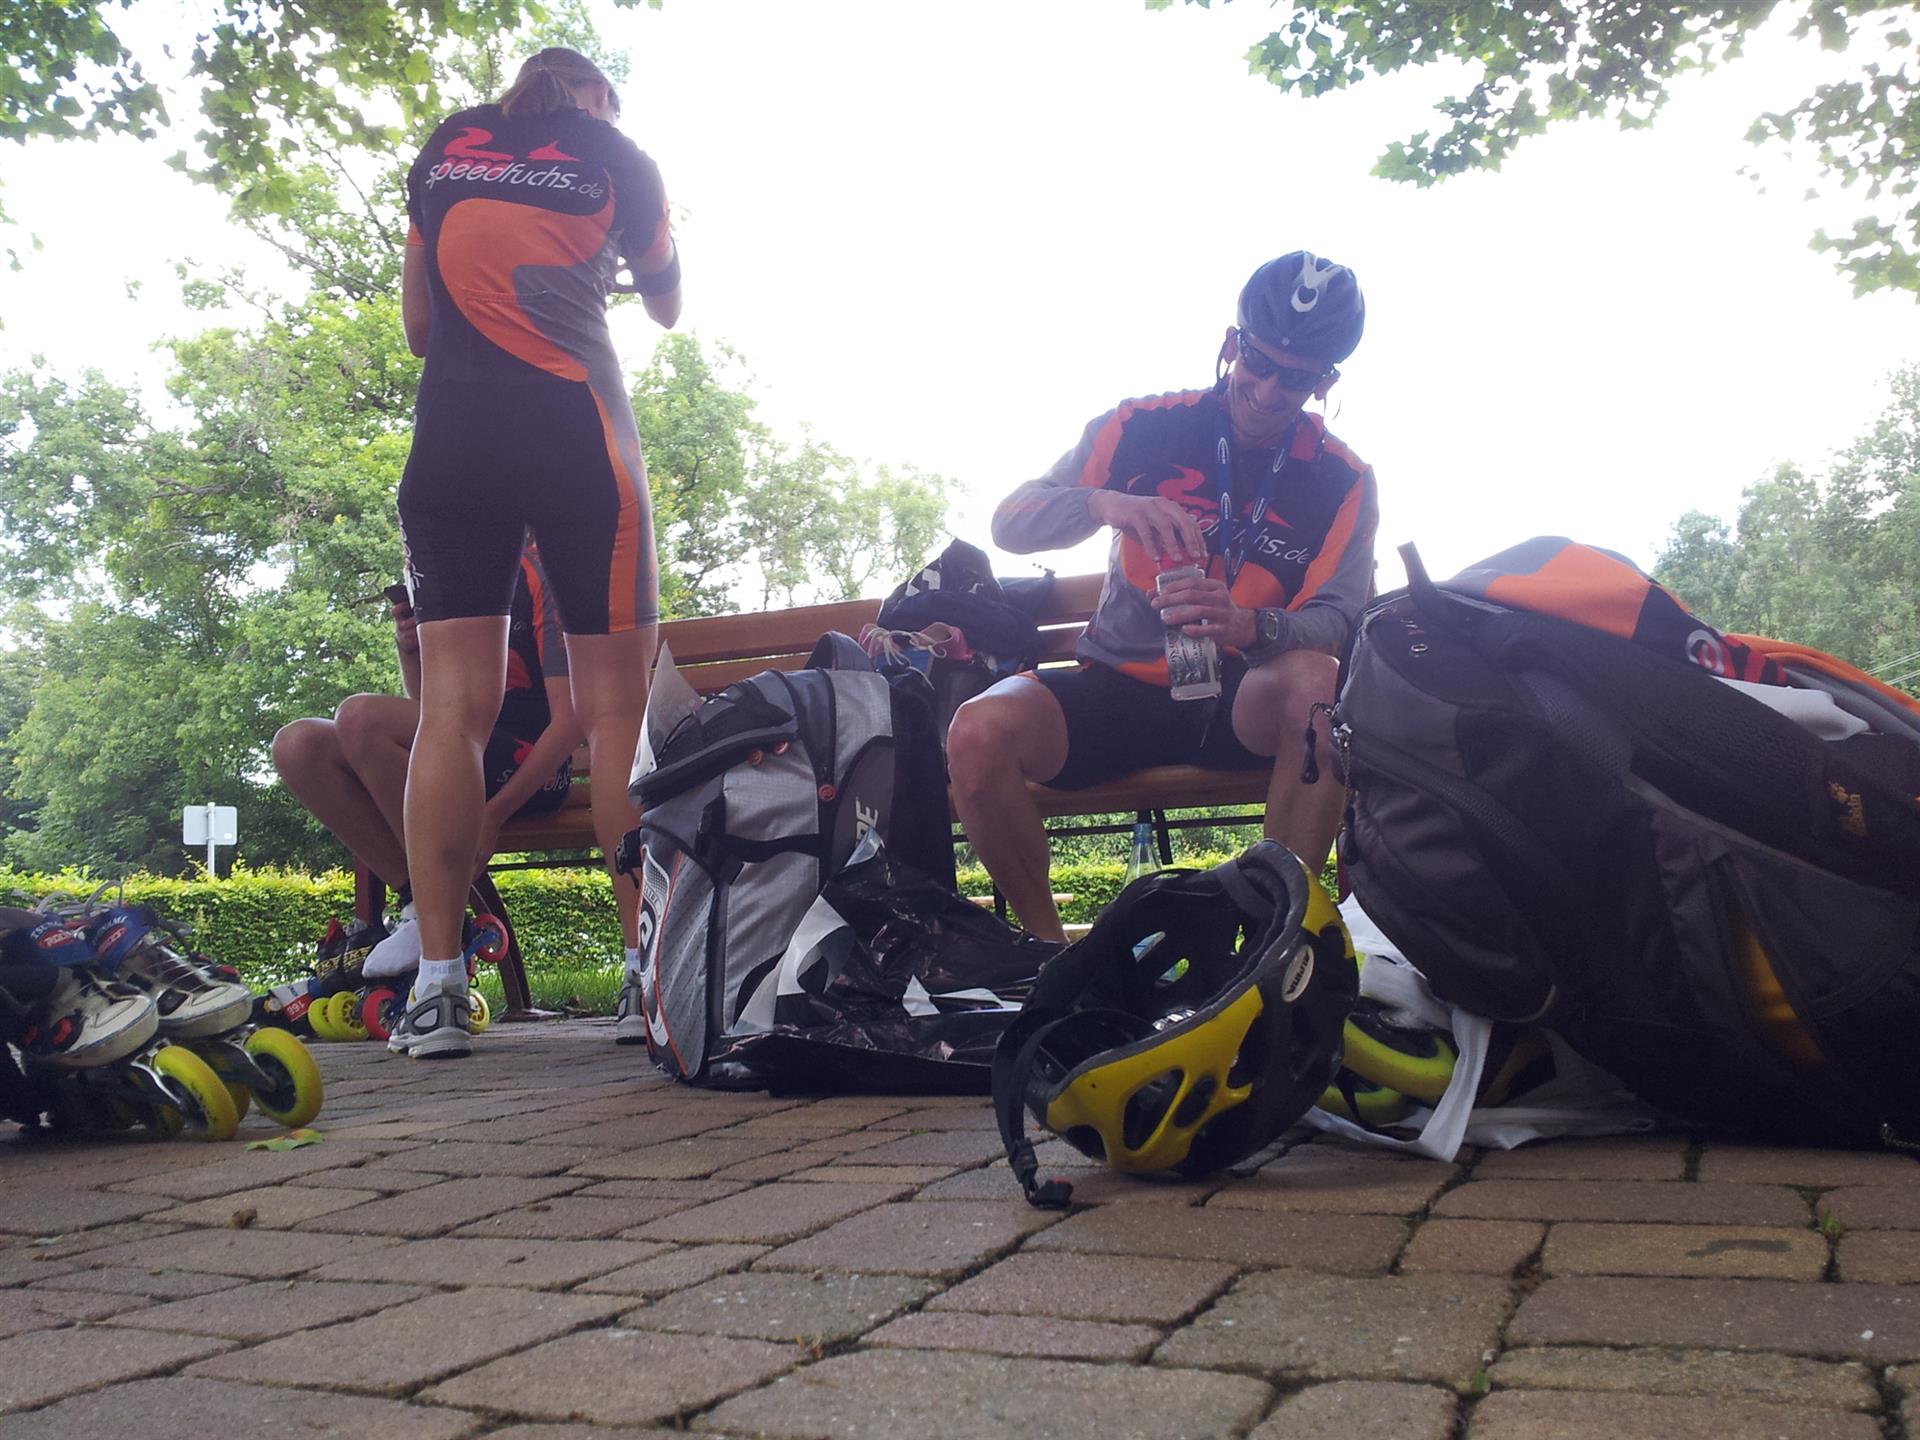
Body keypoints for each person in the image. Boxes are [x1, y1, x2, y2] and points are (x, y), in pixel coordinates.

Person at [947, 251, 1376, 942]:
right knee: (976, 729)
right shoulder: (1140, 424)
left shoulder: (1344, 477)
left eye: (1296, 379)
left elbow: (1339, 616)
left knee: (1319, 689)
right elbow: (1010, 524)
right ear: (1232, 345)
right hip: (1115, 686)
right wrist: (1104, 503)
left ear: (1326, 382)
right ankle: (1048, 953)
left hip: (1243, 694)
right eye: (1259, 363)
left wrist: (1250, 625)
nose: (1269, 392)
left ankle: (1271, 946)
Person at [392, 44, 681, 1058]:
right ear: (597, 99)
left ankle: (436, 989)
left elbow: (419, 325)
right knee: (616, 710)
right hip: (579, 435)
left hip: (452, 440)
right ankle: (646, 974)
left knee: (450, 712)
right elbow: (666, 303)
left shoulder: (448, 147)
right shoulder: (618, 157)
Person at [271, 550, 580, 976]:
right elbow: (431, 711)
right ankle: (419, 904)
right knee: (298, 746)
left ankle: (431, 912)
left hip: (533, 765)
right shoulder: (442, 573)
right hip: (462, 751)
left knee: (360, 717)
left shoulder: (538, 573)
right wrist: (410, 648)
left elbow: (569, 722)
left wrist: (491, 816)